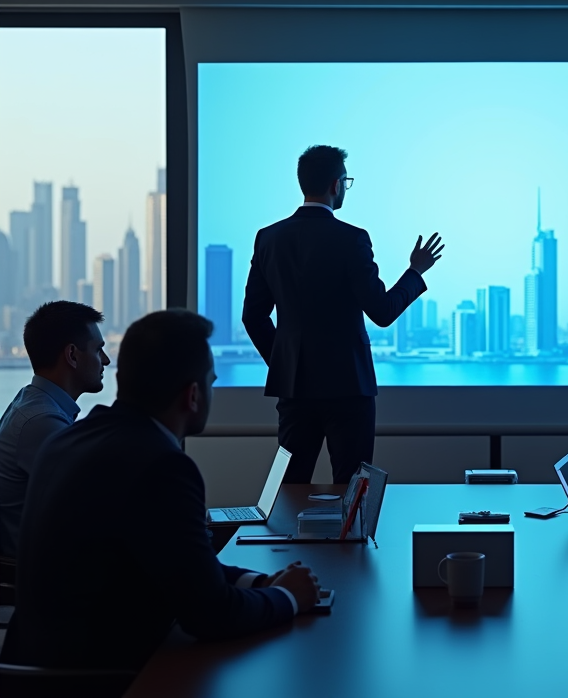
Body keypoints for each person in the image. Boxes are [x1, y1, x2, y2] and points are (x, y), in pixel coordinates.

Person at [0, 310, 321, 672]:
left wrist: (261, 581)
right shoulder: (163, 465)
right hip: (99, 679)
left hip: (31, 670)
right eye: (212, 382)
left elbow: (183, 566)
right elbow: (211, 615)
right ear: (194, 395)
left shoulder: (71, 439)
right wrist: (288, 597)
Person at [242, 145, 442, 485]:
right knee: (353, 492)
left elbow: (253, 317)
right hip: (350, 386)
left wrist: (284, 363)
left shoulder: (268, 238)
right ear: (337, 185)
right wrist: (415, 272)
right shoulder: (352, 239)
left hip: (294, 388)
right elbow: (382, 311)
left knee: (289, 488)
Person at [0, 301, 109, 557]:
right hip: (42, 579)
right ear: (72, 355)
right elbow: (90, 508)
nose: (106, 359)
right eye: (98, 349)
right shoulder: (42, 420)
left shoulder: (31, 402)